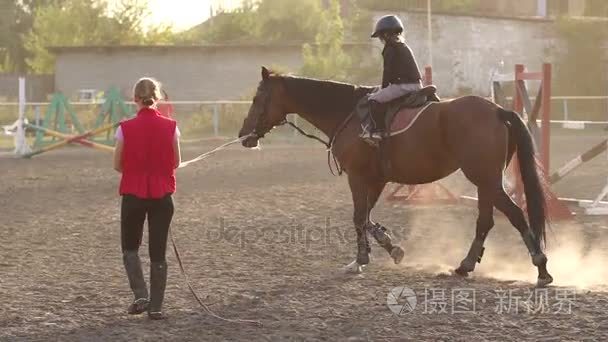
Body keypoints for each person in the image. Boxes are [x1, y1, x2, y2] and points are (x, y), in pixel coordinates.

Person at [113, 77, 181, 320]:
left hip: (133, 194)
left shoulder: (124, 128)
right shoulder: (172, 126)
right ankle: (156, 307)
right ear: (158, 97)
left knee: (130, 248)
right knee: (158, 252)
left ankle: (141, 295)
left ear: (134, 99)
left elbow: (117, 164)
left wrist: (136, 172)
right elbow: (176, 162)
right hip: (162, 196)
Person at [363, 15, 439, 143]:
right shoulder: (404, 46)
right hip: (417, 85)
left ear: (386, 34)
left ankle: (378, 132)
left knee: (373, 100)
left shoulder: (389, 49)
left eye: (381, 36)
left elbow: (387, 73)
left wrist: (382, 89)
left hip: (403, 86)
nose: (381, 39)